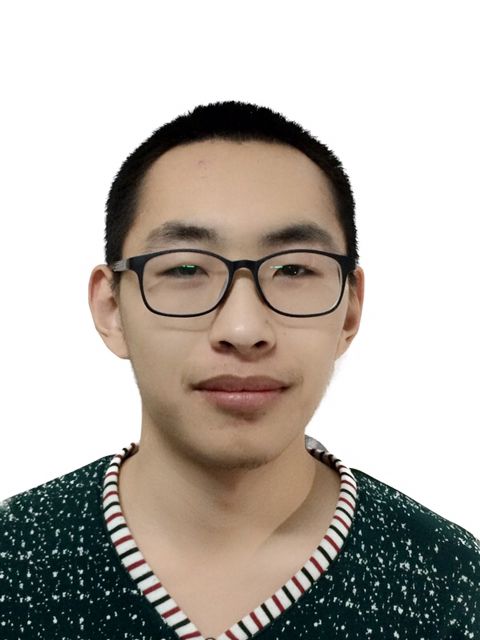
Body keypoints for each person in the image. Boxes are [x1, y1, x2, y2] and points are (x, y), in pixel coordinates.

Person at [0, 101, 478, 639]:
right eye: (185, 268)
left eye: (293, 269)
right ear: (111, 309)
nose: (244, 328)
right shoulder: (14, 560)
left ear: (350, 310)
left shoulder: (454, 585)